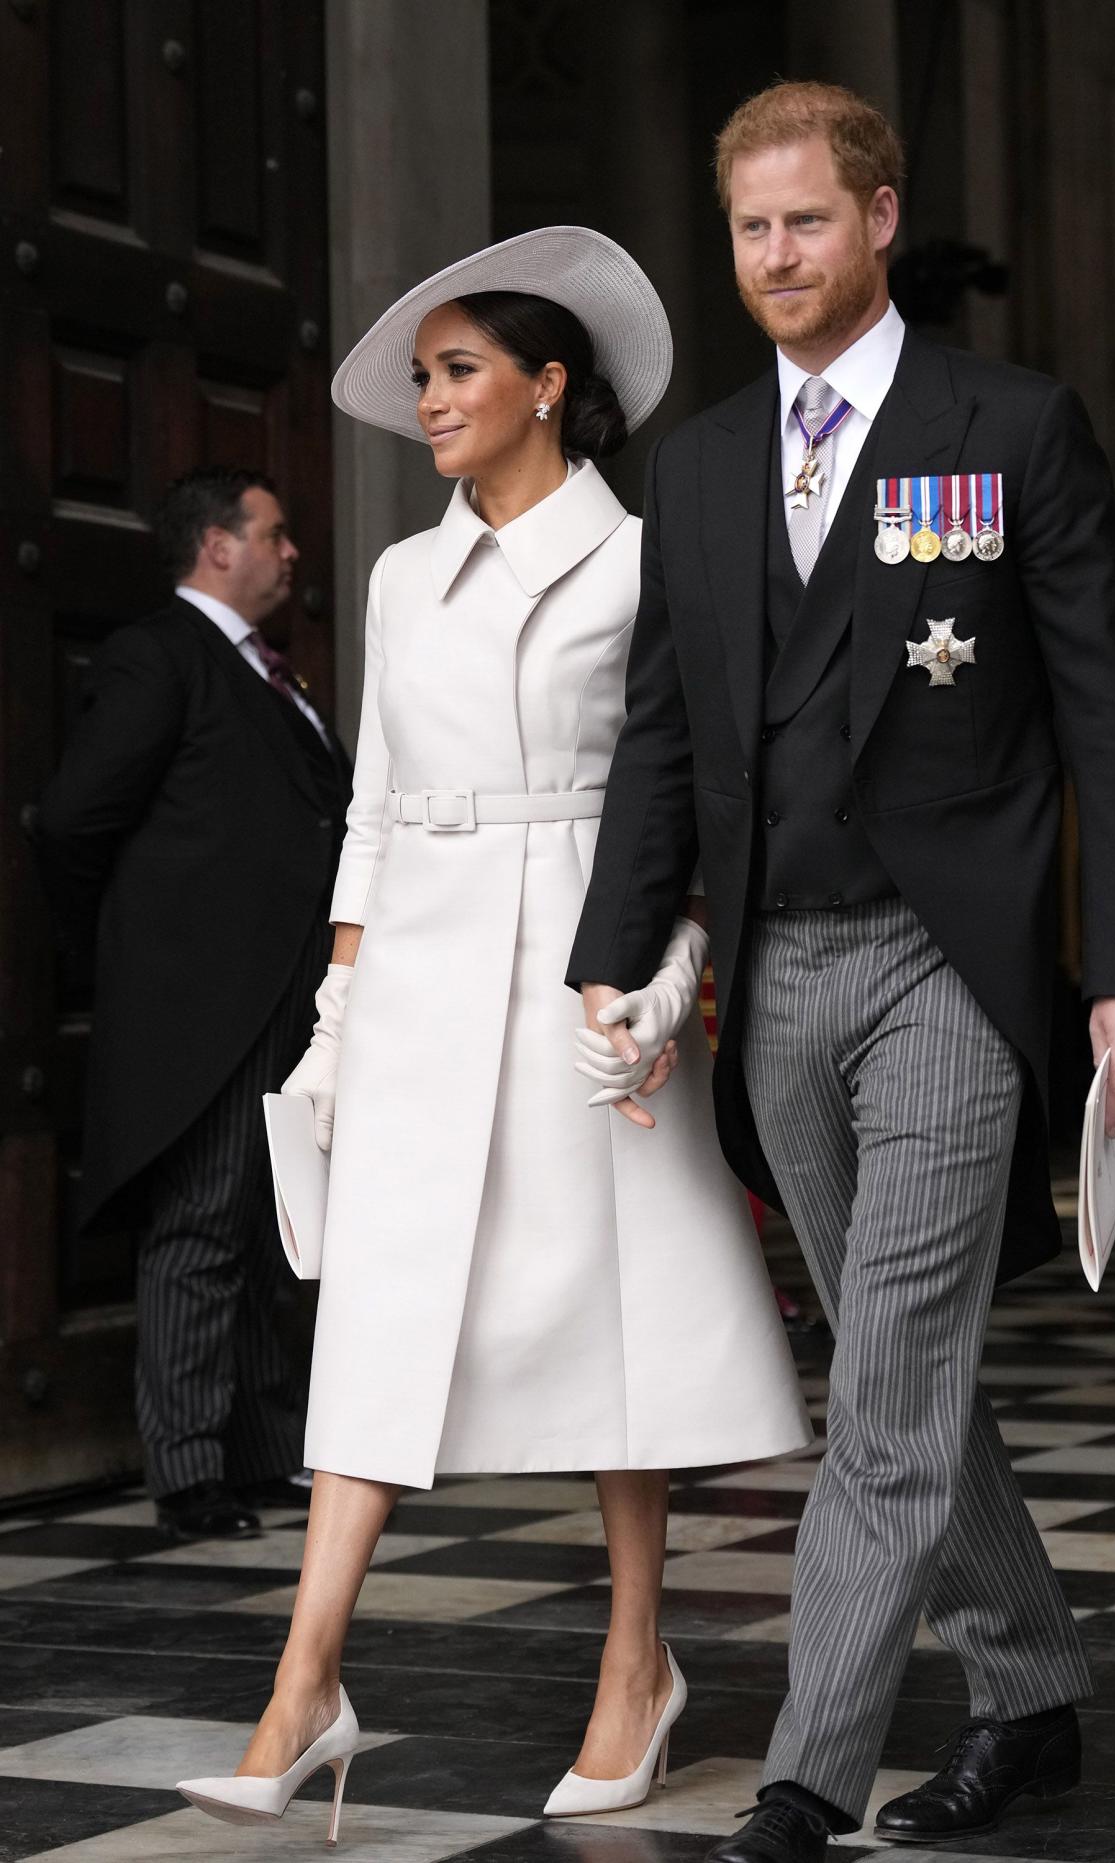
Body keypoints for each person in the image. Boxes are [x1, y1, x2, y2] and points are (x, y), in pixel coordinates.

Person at [568, 83, 1115, 1856]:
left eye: (807, 222)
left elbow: (1111, 715)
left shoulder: (1012, 424)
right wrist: (613, 968)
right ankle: (1033, 1683)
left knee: (882, 1390)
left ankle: (802, 1773)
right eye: (751, 228)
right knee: (908, 1375)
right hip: (772, 987)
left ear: (881, 218)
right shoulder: (689, 468)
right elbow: (659, 737)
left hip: (948, 975)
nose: (775, 256)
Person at [174, 226, 812, 1843]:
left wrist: (670, 973)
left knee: (628, 1327)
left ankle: (636, 1661)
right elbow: (374, 807)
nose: (429, 400)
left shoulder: (645, 556)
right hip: (419, 980)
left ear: (548, 383)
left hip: (585, 978)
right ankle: (303, 1677)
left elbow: (677, 785)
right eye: (421, 376)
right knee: (379, 1318)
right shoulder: (398, 576)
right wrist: (334, 1010)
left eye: (458, 370)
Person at [36, 469, 351, 1542]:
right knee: (204, 1224)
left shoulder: (271, 674)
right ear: (217, 546)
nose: (292, 551)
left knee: (272, 1225)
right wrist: (134, 950)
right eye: (273, 532)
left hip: (289, 997)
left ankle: (261, 1452)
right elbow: (75, 820)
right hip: (204, 1005)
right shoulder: (157, 654)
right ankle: (187, 1469)